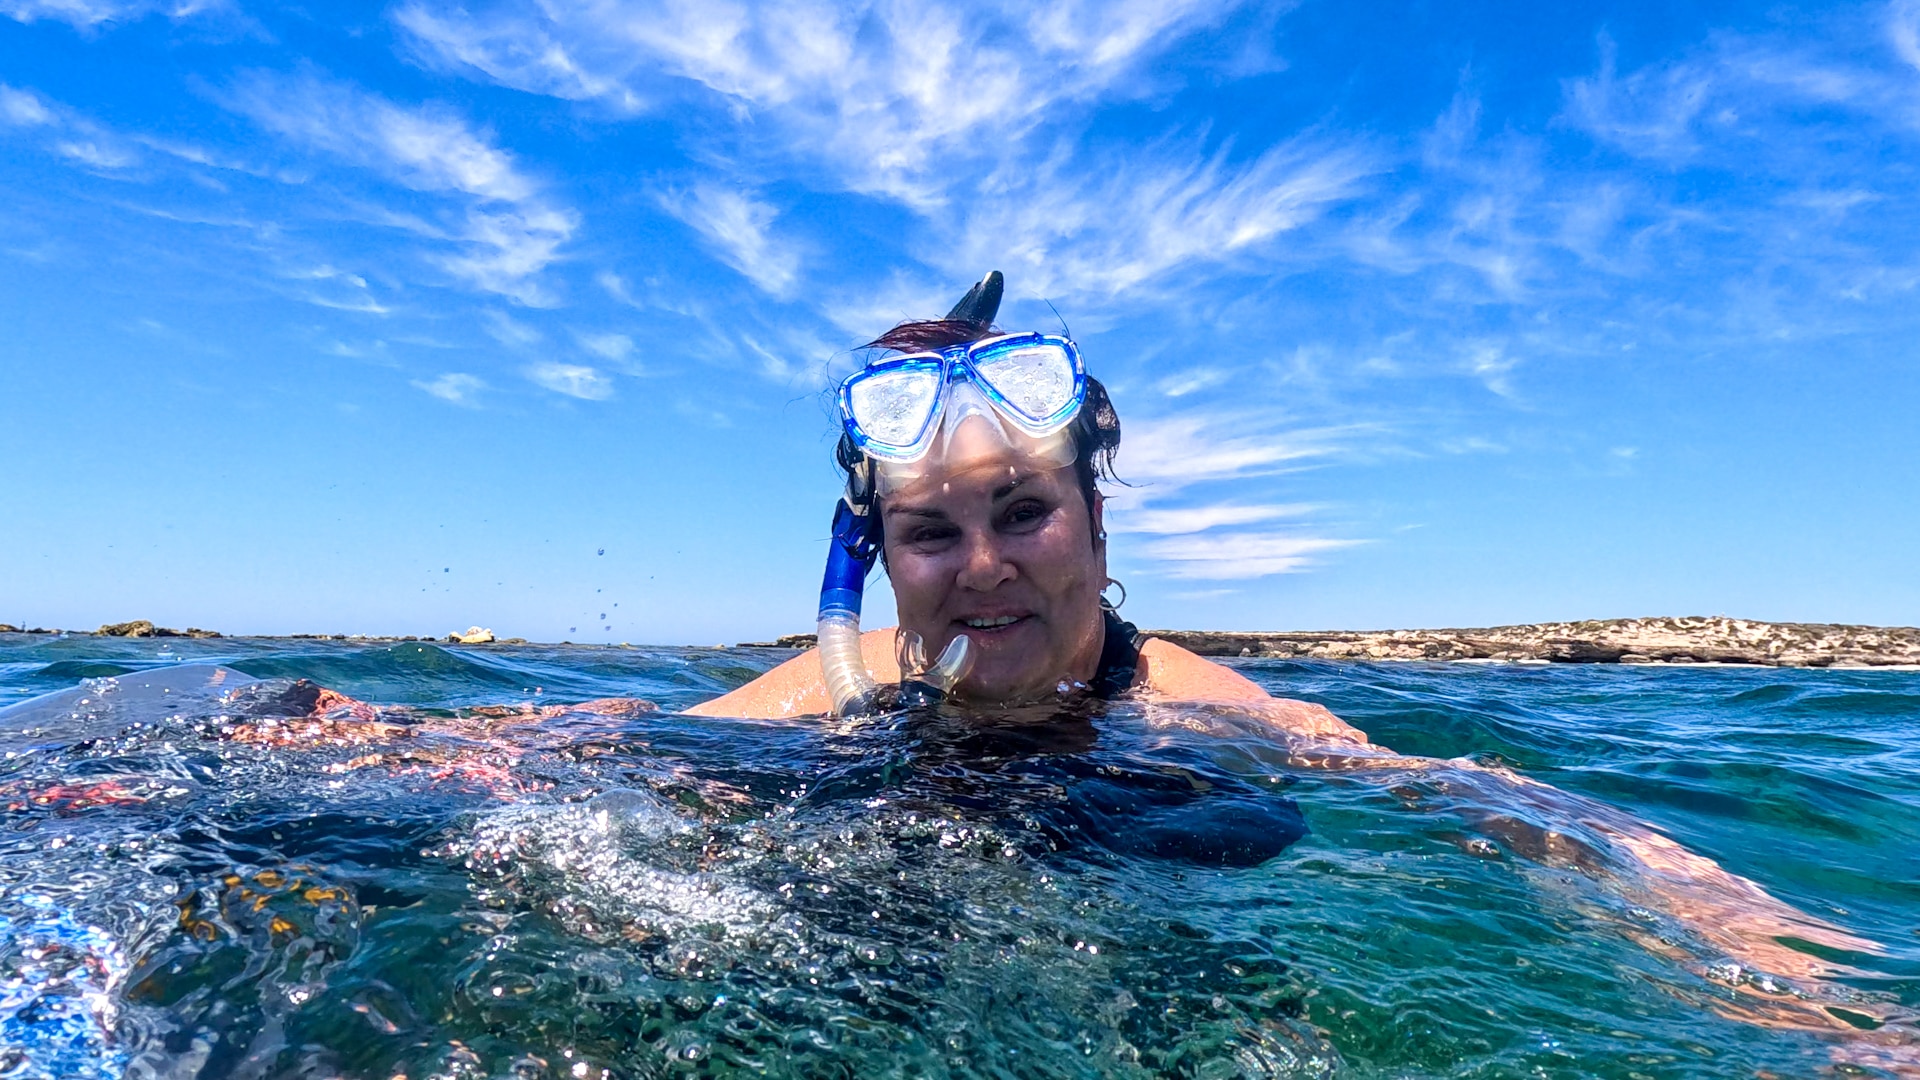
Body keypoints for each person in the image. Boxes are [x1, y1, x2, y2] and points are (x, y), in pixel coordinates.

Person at [687, 271, 1357, 743]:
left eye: (1023, 513)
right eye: (929, 531)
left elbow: (1397, 779)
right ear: (879, 558)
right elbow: (653, 744)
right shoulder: (857, 682)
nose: (982, 568)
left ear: (1097, 528)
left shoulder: (1193, 711)